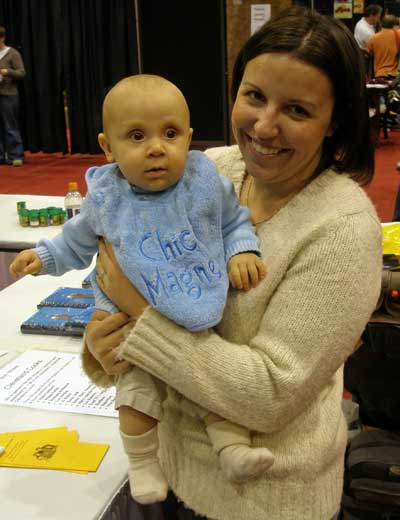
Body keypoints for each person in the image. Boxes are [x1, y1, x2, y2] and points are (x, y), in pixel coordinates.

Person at [83, 6, 383, 520]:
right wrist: (103, 342)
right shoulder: (206, 172)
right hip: (163, 474)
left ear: (335, 123)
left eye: (297, 110)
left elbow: (269, 393)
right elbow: (121, 269)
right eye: (254, 96)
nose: (264, 126)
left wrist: (141, 316)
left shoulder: (341, 230)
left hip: (262, 501)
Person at [9, 74, 273, 505]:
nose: (156, 148)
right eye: (136, 136)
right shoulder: (106, 198)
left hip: (189, 303)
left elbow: (231, 221)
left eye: (170, 134)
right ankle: (142, 463)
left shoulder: (203, 181)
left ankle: (234, 451)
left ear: (189, 138)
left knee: (208, 386)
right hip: (128, 325)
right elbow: (75, 241)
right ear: (108, 147)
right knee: (135, 393)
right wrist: (43, 258)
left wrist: (241, 250)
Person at [0, 26, 25, 166]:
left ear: (2, 38)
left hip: (8, 95)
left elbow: (21, 73)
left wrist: (7, 72)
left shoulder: (12, 53)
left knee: (10, 127)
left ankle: (16, 155)